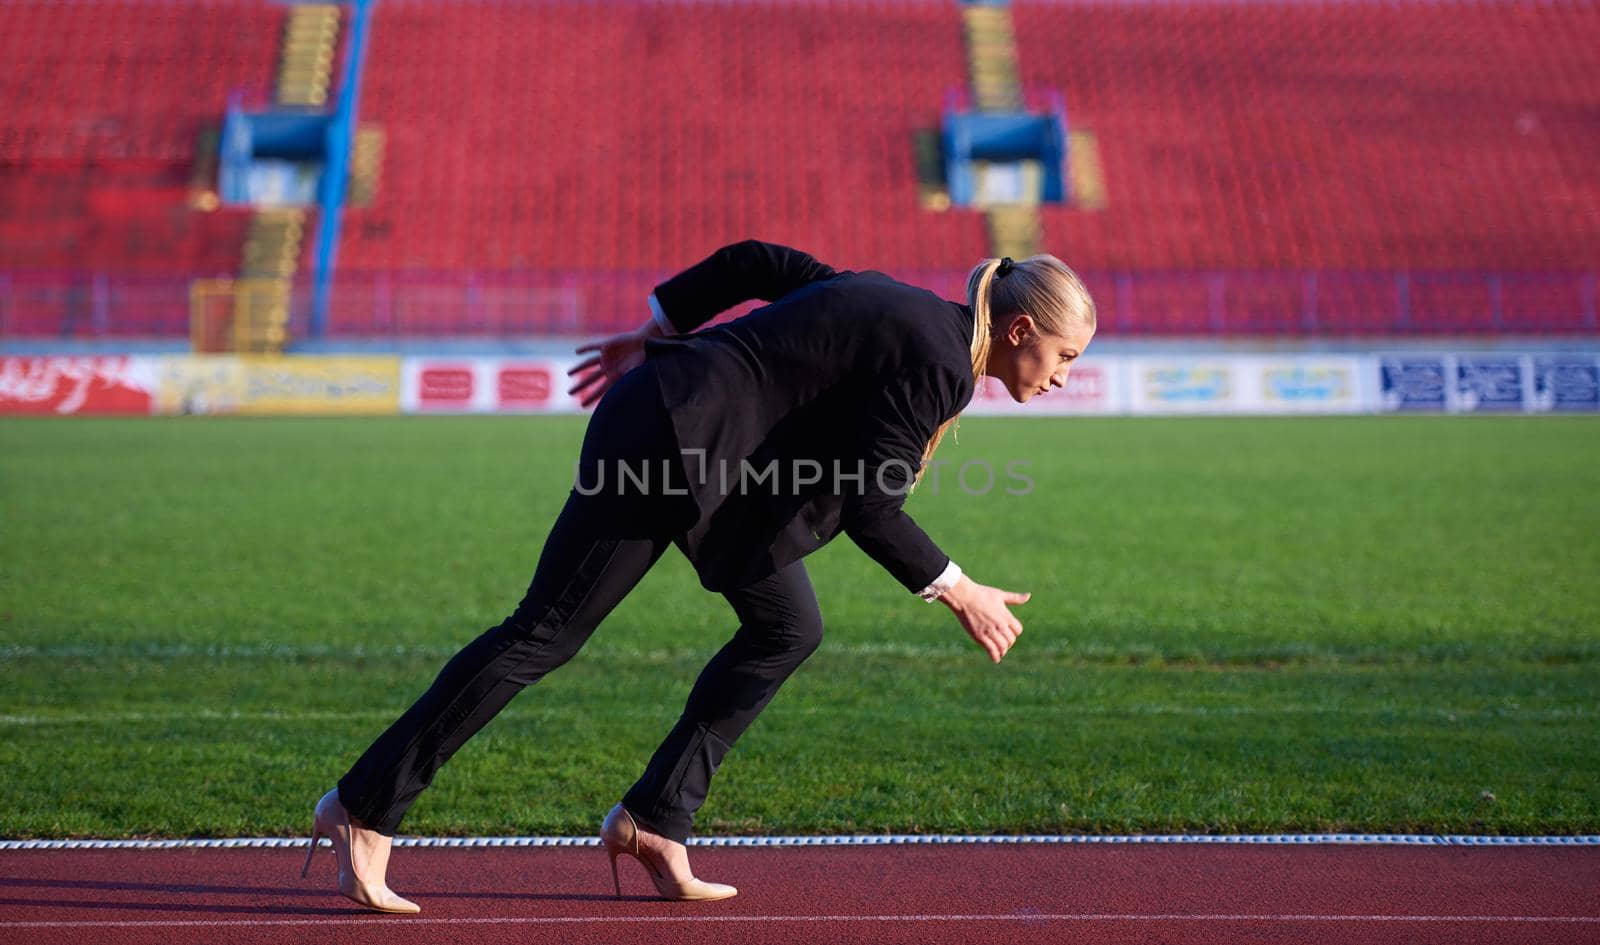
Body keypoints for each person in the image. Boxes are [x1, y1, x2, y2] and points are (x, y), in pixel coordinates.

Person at [301, 240, 1097, 912]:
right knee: (542, 632)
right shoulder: (938, 361)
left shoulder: (899, 307)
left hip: (696, 453)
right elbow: (871, 507)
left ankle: (655, 819)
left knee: (788, 628)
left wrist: (656, 332)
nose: (1063, 376)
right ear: (1021, 327)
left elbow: (756, 261)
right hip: (666, 444)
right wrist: (960, 588)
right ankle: (363, 808)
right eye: (1063, 356)